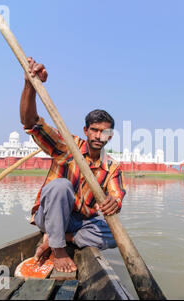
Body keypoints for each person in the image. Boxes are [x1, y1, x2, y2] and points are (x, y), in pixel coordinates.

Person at [20, 57, 126, 273]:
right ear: (86, 131)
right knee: (60, 186)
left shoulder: (112, 167)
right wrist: (30, 85)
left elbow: (116, 196)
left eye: (104, 132)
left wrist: (113, 203)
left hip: (79, 223)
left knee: (115, 235)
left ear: (110, 136)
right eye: (94, 130)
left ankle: (56, 238)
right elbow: (29, 122)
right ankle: (59, 249)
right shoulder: (67, 146)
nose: (98, 136)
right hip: (50, 214)